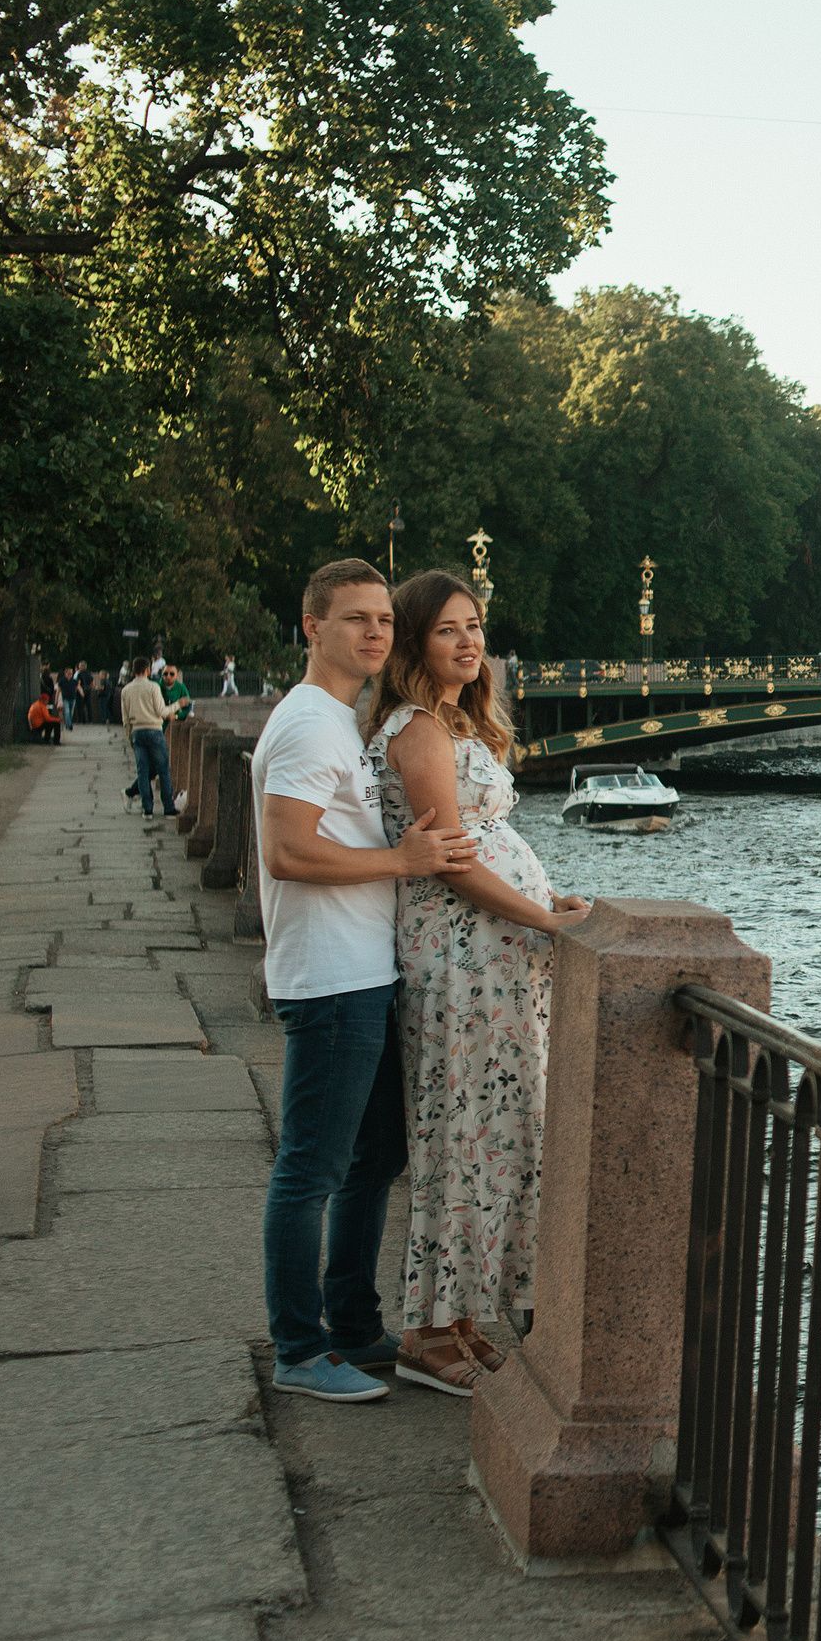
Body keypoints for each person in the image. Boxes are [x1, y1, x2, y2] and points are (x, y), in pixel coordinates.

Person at [255, 558, 482, 1403]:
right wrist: (404, 859)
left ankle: (352, 1324)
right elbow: (285, 850)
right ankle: (299, 1347)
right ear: (312, 627)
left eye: (385, 618)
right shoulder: (312, 725)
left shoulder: (337, 719)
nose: (376, 632)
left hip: (363, 970)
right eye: (356, 618)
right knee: (310, 1169)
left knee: (372, 1156)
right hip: (329, 980)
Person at [367, 569, 588, 1397]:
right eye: (449, 629)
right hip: (462, 962)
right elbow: (453, 862)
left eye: (476, 626)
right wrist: (543, 921)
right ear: (417, 642)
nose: (469, 641)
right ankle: (425, 1332)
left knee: (494, 1130)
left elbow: (484, 842)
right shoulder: (418, 728)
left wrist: (543, 899)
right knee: (461, 1132)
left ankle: (461, 1318)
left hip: (493, 958)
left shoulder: (455, 721)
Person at [120, 660, 178, 817]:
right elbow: (161, 711)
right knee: (163, 770)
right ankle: (168, 808)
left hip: (137, 732)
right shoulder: (153, 687)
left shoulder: (126, 690)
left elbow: (125, 720)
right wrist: (178, 705)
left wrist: (130, 738)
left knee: (143, 771)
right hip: (154, 731)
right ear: (147, 670)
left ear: (133, 670)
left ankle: (147, 809)